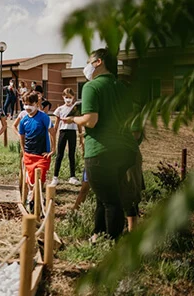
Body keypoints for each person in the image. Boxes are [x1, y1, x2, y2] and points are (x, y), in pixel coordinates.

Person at [62, 48, 138, 241]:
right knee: (104, 195)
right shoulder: (122, 87)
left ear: (98, 62)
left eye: (89, 61)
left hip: (101, 151)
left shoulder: (92, 86)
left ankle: (113, 245)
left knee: (111, 201)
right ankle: (98, 234)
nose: (87, 66)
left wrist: (73, 119)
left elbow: (91, 120)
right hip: (126, 150)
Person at [19, 92, 56, 212]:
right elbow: (22, 136)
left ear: (36, 103)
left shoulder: (44, 117)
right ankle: (33, 200)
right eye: (25, 104)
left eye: (30, 104)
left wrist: (53, 149)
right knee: (30, 182)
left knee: (39, 181)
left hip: (42, 155)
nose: (27, 107)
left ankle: (35, 203)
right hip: (29, 154)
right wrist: (24, 151)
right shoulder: (23, 120)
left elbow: (52, 132)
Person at [51, 88, 82, 186]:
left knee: (71, 154)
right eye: (66, 97)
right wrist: (53, 137)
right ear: (63, 97)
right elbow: (56, 125)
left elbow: (79, 124)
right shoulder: (60, 109)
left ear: (73, 98)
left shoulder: (75, 108)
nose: (68, 99)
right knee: (60, 154)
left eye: (70, 97)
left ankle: (72, 176)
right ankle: (55, 177)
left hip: (72, 132)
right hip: (63, 132)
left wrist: (81, 137)